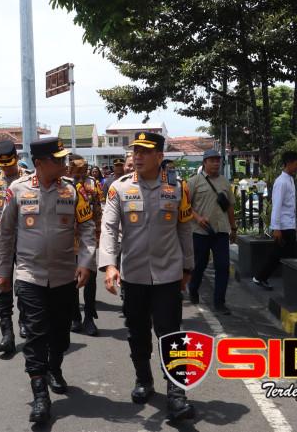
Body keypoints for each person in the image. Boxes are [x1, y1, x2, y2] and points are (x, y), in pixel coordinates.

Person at [0, 137, 95, 424]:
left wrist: (86, 262)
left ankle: (55, 368)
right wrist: (3, 272)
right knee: (36, 334)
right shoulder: (17, 190)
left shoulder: (72, 190)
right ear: (39, 163)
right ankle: (40, 394)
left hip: (64, 276)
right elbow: (6, 234)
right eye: (58, 159)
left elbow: (87, 227)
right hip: (30, 276)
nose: (64, 163)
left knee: (61, 334)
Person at [100, 131, 196, 421]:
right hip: (134, 276)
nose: (137, 156)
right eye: (135, 151)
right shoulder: (119, 188)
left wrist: (188, 268)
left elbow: (184, 229)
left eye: (144, 151)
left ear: (159, 156)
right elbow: (109, 228)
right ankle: (144, 379)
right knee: (137, 333)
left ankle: (177, 393)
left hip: (168, 275)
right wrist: (109, 264)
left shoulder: (177, 188)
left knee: (171, 334)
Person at [0, 140, 31, 354]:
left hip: (25, 240)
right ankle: (7, 334)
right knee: (3, 284)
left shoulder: (29, 179)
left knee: (25, 284)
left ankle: (24, 320)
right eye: (2, 165)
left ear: (17, 159)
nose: (7, 169)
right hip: (1, 241)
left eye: (9, 164)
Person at [187, 149, 237, 314]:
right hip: (200, 232)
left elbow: (229, 207)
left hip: (221, 231)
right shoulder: (194, 182)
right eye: (212, 160)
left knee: (222, 267)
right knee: (199, 265)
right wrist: (198, 218)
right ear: (205, 162)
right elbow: (185, 206)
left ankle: (219, 302)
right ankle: (193, 289)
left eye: (218, 160)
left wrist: (233, 228)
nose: (216, 163)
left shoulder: (224, 182)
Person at [252, 151, 297, 290]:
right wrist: (276, 228)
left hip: (289, 225)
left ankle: (261, 277)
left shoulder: (290, 179)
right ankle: (261, 277)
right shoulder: (281, 182)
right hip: (283, 226)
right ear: (289, 163)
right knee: (281, 256)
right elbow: (277, 206)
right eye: (296, 164)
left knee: (283, 255)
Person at [68, 154, 102, 336]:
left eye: (82, 171)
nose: (79, 175)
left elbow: (97, 209)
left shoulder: (93, 184)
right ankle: (75, 316)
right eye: (76, 171)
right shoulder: (64, 183)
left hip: (88, 236)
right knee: (72, 279)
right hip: (69, 239)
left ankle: (89, 317)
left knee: (90, 277)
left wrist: (99, 232)